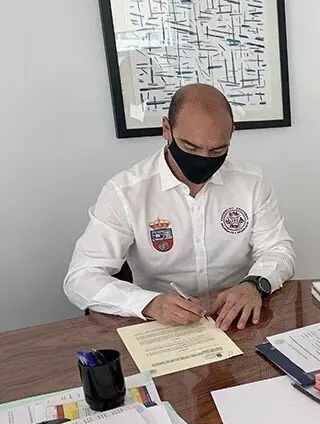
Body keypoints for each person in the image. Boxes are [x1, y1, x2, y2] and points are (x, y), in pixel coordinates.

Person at [64, 84, 295, 331]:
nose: (204, 159)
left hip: (235, 316)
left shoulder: (251, 182)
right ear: (167, 129)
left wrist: (254, 284)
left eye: (218, 149)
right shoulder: (125, 191)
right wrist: (150, 303)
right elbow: (81, 278)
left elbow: (278, 249)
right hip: (160, 324)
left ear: (231, 134)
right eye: (190, 148)